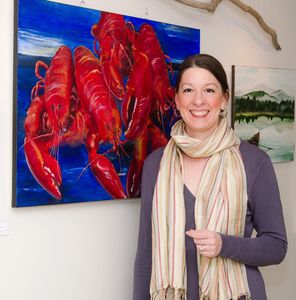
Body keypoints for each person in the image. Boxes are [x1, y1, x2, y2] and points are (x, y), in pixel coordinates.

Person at [132, 53, 287, 300]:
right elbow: (146, 256)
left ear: (224, 100)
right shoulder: (156, 165)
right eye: (188, 90)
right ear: (177, 99)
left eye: (209, 90)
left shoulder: (255, 162)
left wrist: (224, 245)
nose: (198, 101)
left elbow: (277, 246)